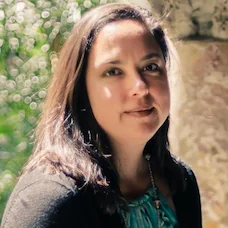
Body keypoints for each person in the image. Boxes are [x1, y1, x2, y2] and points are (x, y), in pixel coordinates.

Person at [1, 3, 202, 228]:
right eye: (113, 71)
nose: (140, 86)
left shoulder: (179, 181)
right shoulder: (48, 200)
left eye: (151, 67)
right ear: (81, 90)